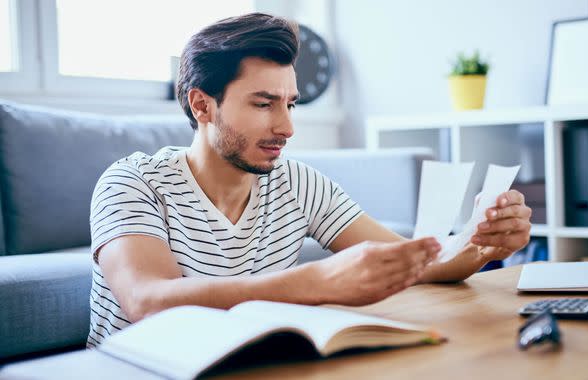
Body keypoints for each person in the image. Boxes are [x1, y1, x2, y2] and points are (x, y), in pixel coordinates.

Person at [87, 13, 532, 347]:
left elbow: (414, 262)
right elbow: (147, 301)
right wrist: (315, 283)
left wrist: (479, 244)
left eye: (290, 104)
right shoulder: (131, 182)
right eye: (264, 104)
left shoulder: (298, 183)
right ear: (202, 106)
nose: (286, 128)